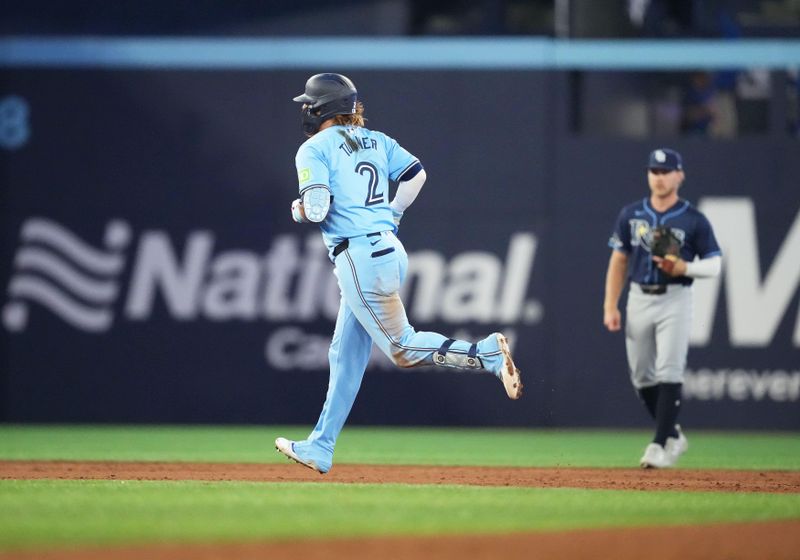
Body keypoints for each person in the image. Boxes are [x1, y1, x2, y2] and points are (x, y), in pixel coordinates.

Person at [275, 73, 523, 474]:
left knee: (402, 349)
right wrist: (392, 214)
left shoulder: (313, 149)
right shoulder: (377, 140)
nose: (305, 110)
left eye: (309, 103)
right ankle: (321, 446)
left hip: (358, 256)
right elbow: (416, 175)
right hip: (389, 248)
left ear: (323, 108)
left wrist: (298, 209)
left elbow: (317, 209)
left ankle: (486, 354)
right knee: (345, 355)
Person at [603, 148, 722, 469]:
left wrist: (684, 268)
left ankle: (658, 444)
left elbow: (714, 264)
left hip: (675, 297)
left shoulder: (692, 218)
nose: (659, 177)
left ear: (679, 175)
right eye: (654, 171)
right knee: (641, 375)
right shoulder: (631, 214)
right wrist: (610, 304)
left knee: (670, 368)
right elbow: (619, 260)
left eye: (666, 171)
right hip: (639, 296)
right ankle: (673, 434)